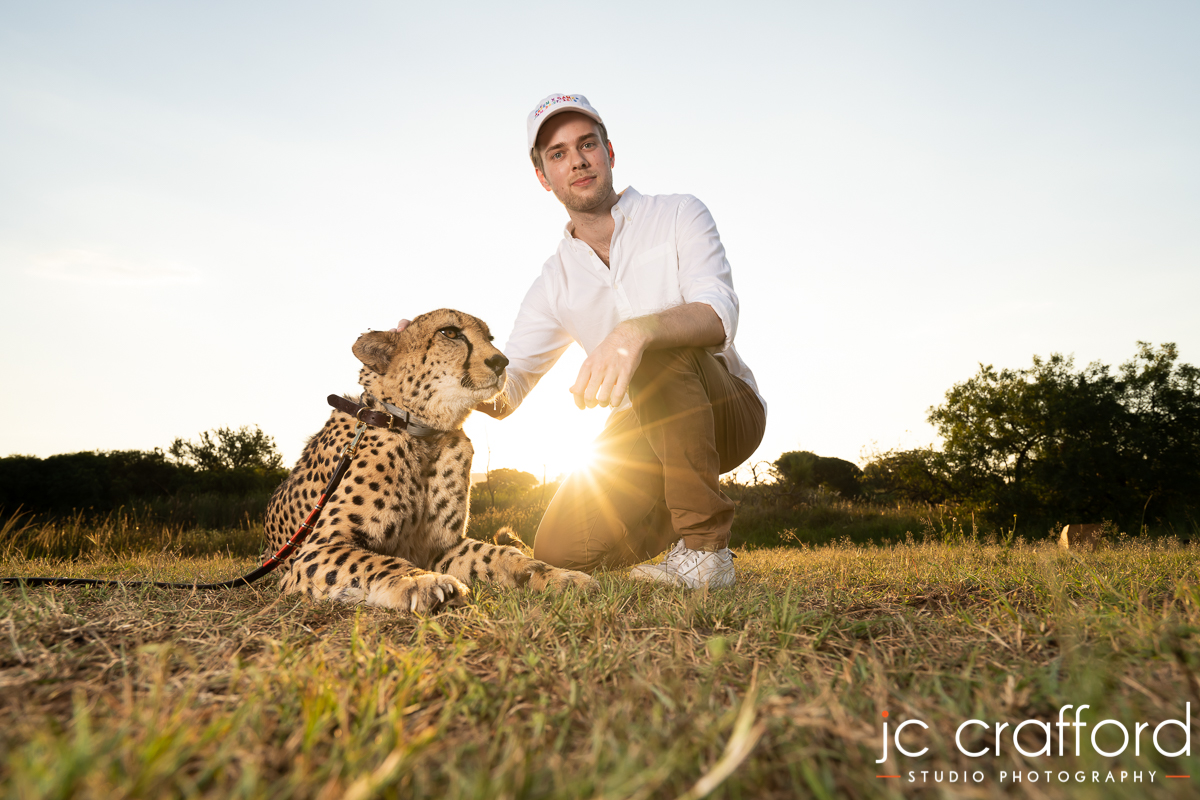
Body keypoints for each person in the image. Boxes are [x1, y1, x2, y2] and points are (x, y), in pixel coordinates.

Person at [399, 93, 766, 588]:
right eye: (558, 153)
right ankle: (673, 537)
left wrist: (633, 332)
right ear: (543, 177)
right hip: (642, 431)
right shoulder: (554, 282)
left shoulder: (679, 213)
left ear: (609, 153)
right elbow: (508, 390)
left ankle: (705, 552)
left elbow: (718, 314)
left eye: (587, 144)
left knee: (647, 343)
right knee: (560, 550)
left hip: (727, 408)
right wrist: (438, 366)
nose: (577, 160)